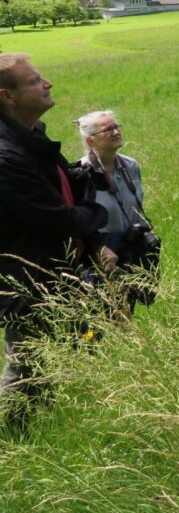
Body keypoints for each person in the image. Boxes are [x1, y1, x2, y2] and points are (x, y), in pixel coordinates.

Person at [1, 54, 109, 428]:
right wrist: (99, 217)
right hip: (28, 280)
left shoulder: (33, 135)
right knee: (28, 369)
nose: (47, 83)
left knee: (84, 344)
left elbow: (70, 189)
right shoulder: (6, 155)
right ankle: (13, 441)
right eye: (34, 81)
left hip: (60, 270)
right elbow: (57, 218)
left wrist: (88, 233)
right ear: (7, 96)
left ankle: (44, 428)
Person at [77, 110, 161, 318]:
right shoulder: (80, 173)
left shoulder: (131, 166)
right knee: (104, 314)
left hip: (130, 245)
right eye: (108, 129)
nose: (116, 132)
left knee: (127, 310)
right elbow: (79, 220)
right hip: (102, 251)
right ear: (91, 140)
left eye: (117, 127)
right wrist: (96, 247)